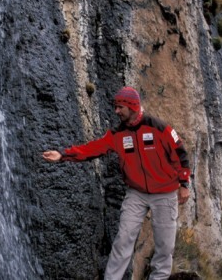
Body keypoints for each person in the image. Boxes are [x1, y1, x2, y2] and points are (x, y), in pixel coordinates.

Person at [42, 86, 191, 280]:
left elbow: (180, 154)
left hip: (165, 193)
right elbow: (93, 149)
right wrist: (63, 155)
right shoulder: (117, 134)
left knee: (165, 246)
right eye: (116, 107)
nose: (116, 111)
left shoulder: (159, 127)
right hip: (136, 193)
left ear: (132, 107)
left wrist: (184, 183)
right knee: (123, 240)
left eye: (120, 107)